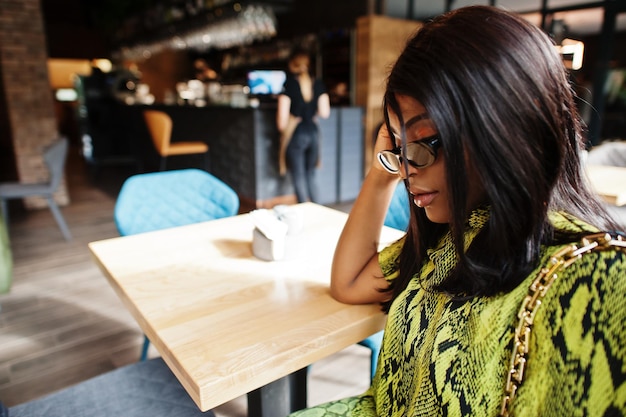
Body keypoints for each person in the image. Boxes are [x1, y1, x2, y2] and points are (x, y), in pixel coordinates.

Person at [289, 6, 626, 417]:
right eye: (398, 146)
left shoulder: (597, 279)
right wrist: (381, 176)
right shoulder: (457, 234)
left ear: (506, 123)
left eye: (424, 141)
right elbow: (348, 283)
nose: (408, 170)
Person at [277, 48, 330, 203]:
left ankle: (304, 210)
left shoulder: (289, 84)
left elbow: (282, 121)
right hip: (313, 132)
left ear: (292, 65)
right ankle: (317, 210)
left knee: (298, 176)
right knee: (311, 174)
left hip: (296, 134)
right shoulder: (318, 83)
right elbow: (325, 112)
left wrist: (285, 128)